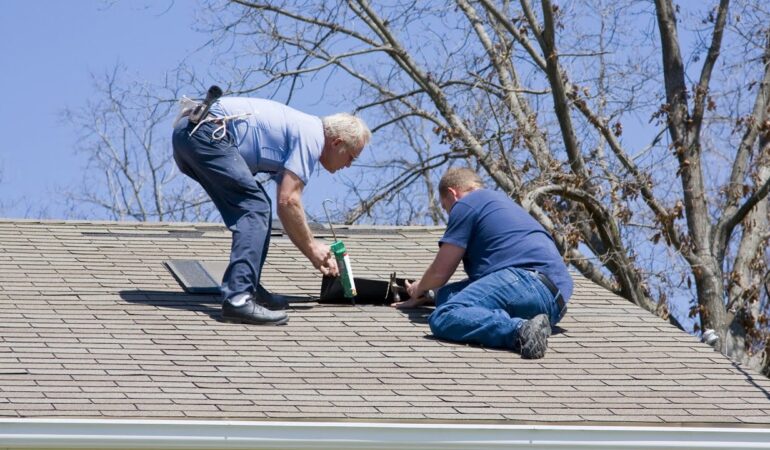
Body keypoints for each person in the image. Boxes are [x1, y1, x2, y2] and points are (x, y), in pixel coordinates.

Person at [173, 96, 371, 325]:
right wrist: (312, 248)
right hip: (206, 133)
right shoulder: (312, 136)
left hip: (189, 134)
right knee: (255, 207)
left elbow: (283, 205)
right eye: (351, 157)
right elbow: (288, 201)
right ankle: (238, 298)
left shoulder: (301, 129)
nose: (348, 165)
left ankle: (249, 287)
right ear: (337, 143)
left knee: (258, 206)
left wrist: (311, 249)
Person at [393, 168, 572, 358]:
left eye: (447, 208)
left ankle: (520, 330)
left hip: (525, 280)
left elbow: (440, 272)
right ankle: (527, 325)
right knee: (446, 296)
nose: (450, 215)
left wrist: (419, 288)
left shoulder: (467, 203)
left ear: (453, 193)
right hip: (553, 305)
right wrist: (430, 294)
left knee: (444, 315)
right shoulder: (501, 204)